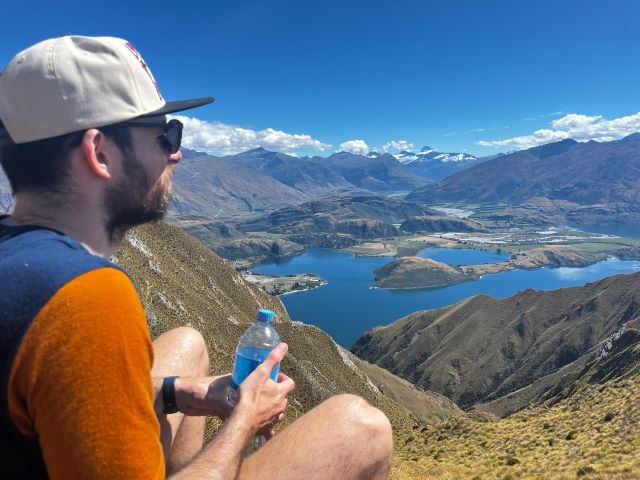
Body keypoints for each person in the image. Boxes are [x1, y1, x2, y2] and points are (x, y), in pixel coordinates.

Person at [0, 35, 393, 479]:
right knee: (360, 425)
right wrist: (246, 419)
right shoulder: (85, 296)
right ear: (100, 153)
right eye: (166, 134)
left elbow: (66, 389)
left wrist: (185, 392)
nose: (178, 153)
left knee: (188, 343)